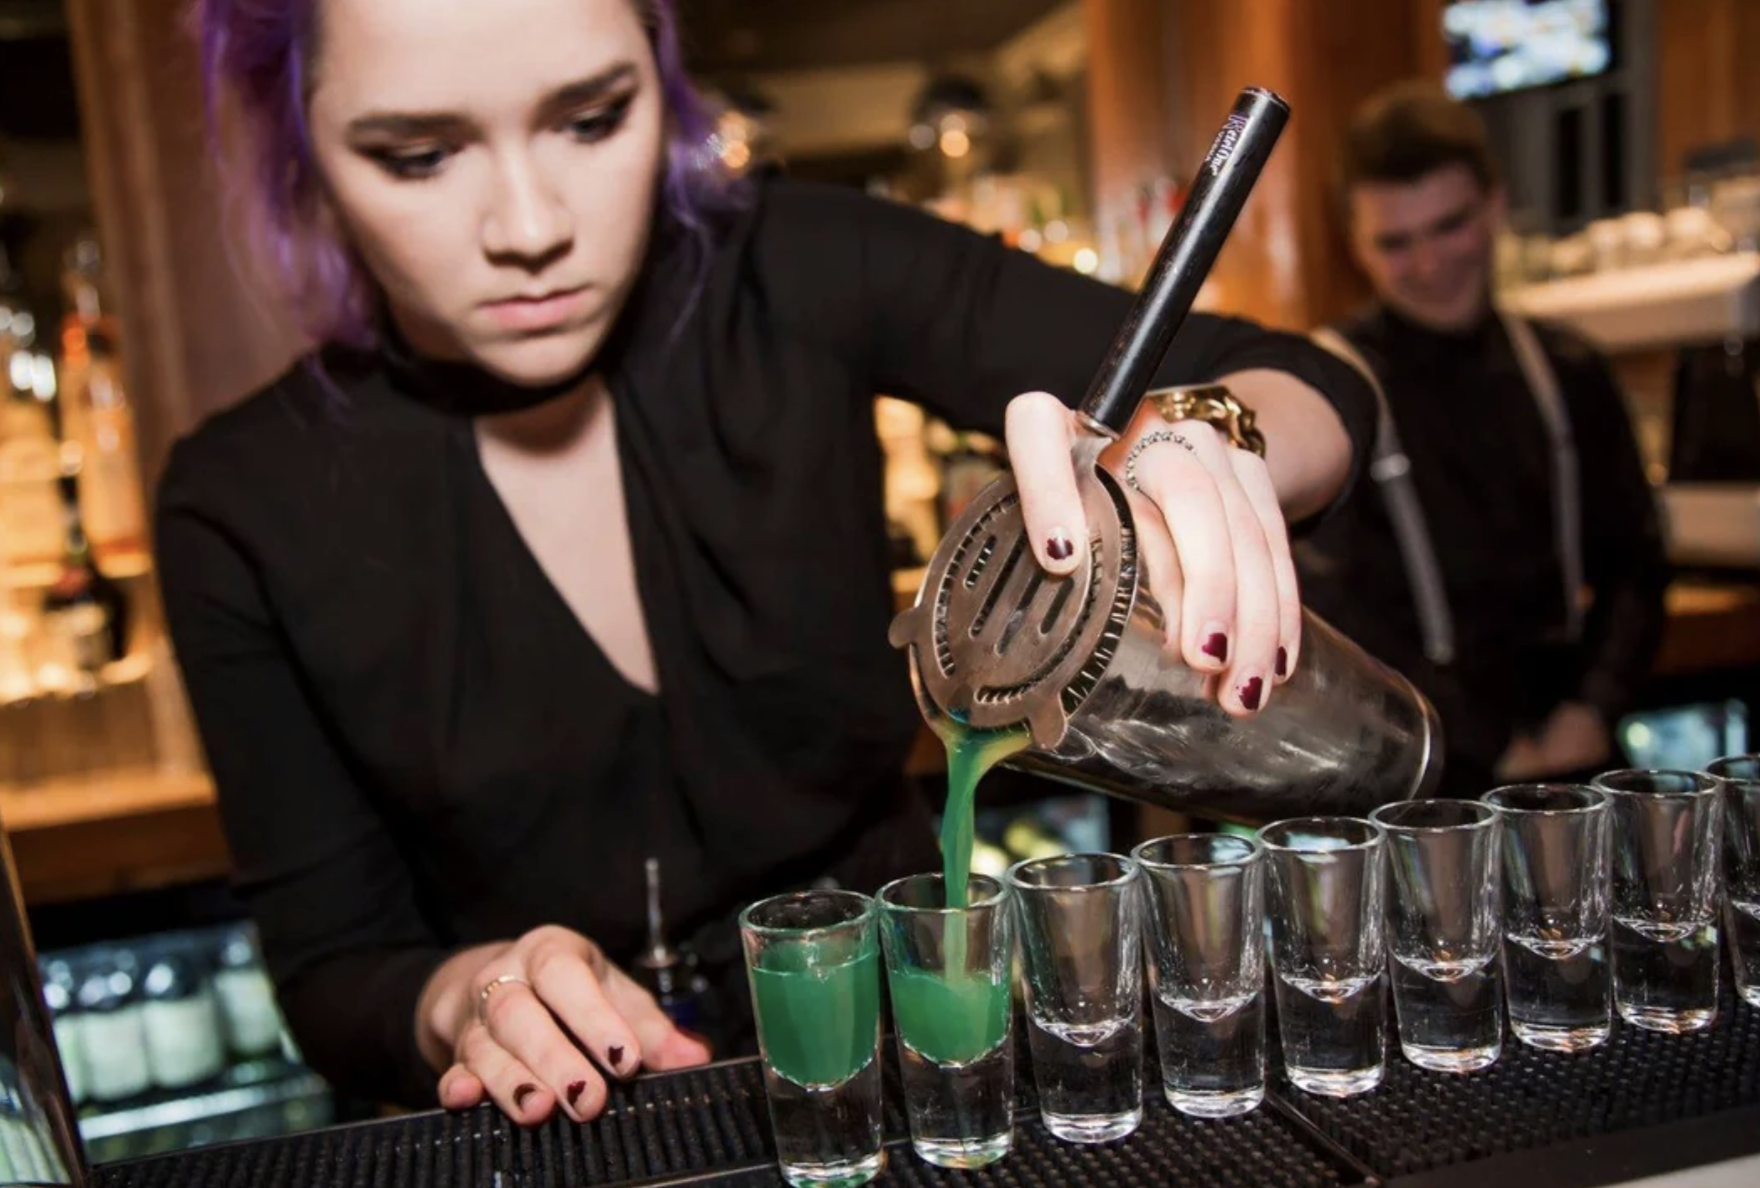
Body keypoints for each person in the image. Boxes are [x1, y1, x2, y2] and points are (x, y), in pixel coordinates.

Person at [164, 0, 1375, 1126]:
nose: (529, 228)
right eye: (419, 156)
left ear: (663, 72)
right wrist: (469, 993)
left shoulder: (803, 270)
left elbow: (1321, 378)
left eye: (592, 120)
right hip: (562, 1139)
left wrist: (1206, 440)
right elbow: (331, 972)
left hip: (919, 1080)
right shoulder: (244, 501)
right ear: (302, 149)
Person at [1297, 82, 1668, 799]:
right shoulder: (1326, 392)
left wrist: (1593, 708)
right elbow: (1333, 611)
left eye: (1451, 226)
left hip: (1574, 753)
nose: (1431, 264)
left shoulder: (1570, 369)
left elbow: (1637, 561)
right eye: (1396, 243)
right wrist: (1485, 744)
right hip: (1420, 774)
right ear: (1356, 246)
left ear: (1495, 205)